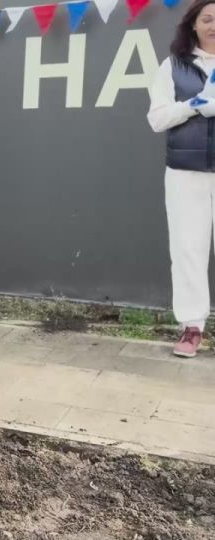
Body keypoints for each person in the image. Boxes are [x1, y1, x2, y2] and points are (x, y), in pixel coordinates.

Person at [148, 0, 215, 358]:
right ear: (193, 24)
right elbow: (157, 119)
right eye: (207, 18)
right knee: (188, 249)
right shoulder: (172, 66)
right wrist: (195, 105)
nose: (214, 25)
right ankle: (192, 327)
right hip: (184, 173)